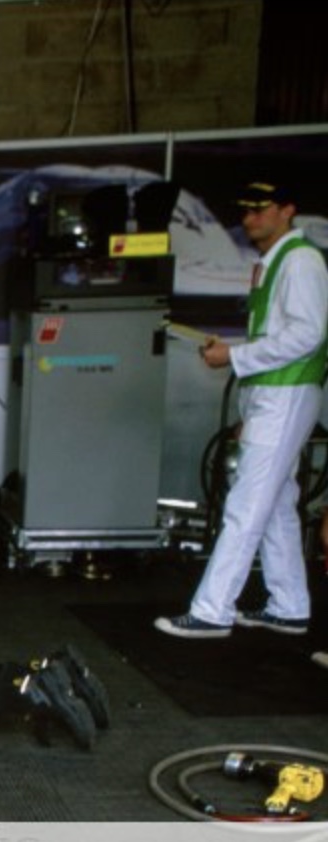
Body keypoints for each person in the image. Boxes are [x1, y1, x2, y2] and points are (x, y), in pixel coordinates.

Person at [156, 177, 327, 639]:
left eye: (260, 208)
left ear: (287, 210)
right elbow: (281, 336)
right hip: (272, 393)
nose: (250, 218)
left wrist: (234, 356)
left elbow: (308, 334)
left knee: (246, 503)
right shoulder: (276, 262)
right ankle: (289, 605)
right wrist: (236, 357)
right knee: (276, 503)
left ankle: (212, 610)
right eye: (246, 210)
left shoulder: (301, 261)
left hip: (287, 392)